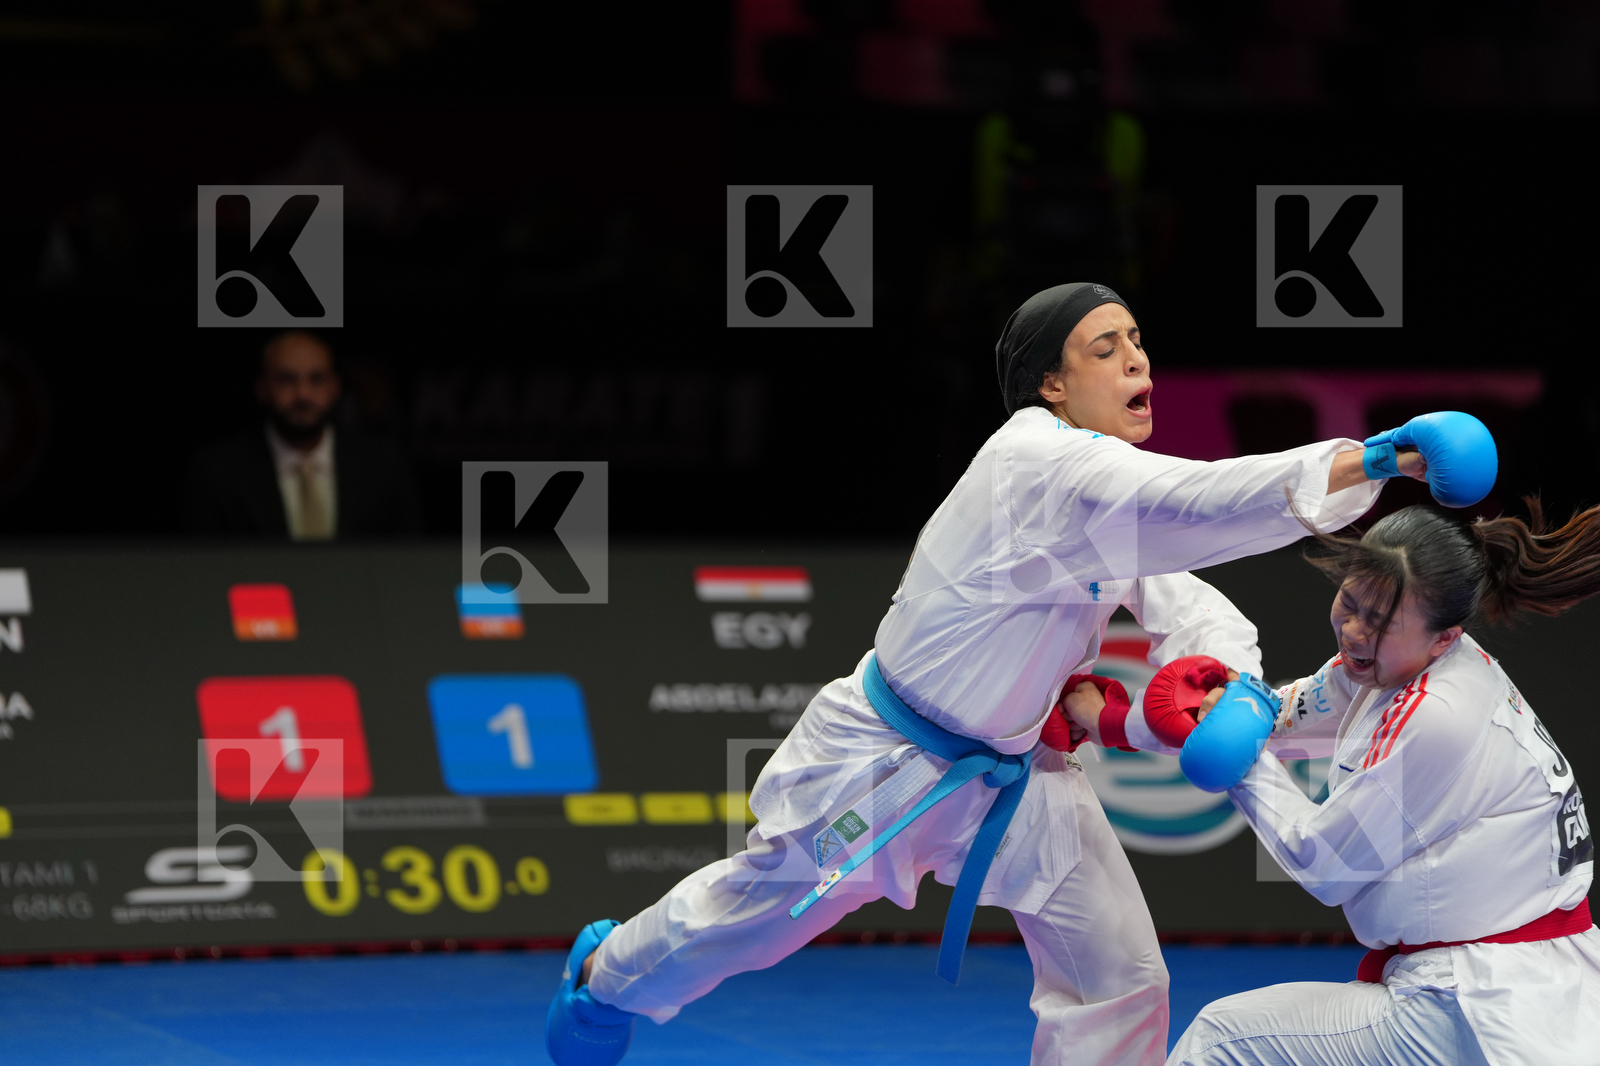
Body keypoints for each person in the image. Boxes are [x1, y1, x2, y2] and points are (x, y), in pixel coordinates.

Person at [546, 282, 1486, 1066]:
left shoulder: (1104, 499)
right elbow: (1198, 503)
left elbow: (1186, 599)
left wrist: (1230, 682)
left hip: (1016, 779)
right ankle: (608, 979)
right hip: (885, 765)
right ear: (1050, 385)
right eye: (1107, 349)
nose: (1138, 364)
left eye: (1141, 345)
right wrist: (1376, 457)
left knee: (1120, 977)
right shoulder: (1034, 459)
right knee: (746, 919)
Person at [1068, 503, 1598, 1065]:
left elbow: (1323, 863)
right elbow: (1272, 720)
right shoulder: (1391, 664)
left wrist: (1233, 757)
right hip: (1504, 982)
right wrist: (1119, 723)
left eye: (1379, 622)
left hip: (1482, 1000)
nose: (1353, 630)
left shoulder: (1438, 714)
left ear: (1444, 638)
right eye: (1350, 602)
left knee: (1222, 1039)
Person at [184, 330, 420, 539]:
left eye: (316, 379)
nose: (303, 394)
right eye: (287, 380)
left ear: (335, 388)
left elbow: (406, 560)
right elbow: (203, 568)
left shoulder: (384, 465)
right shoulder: (218, 472)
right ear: (263, 388)